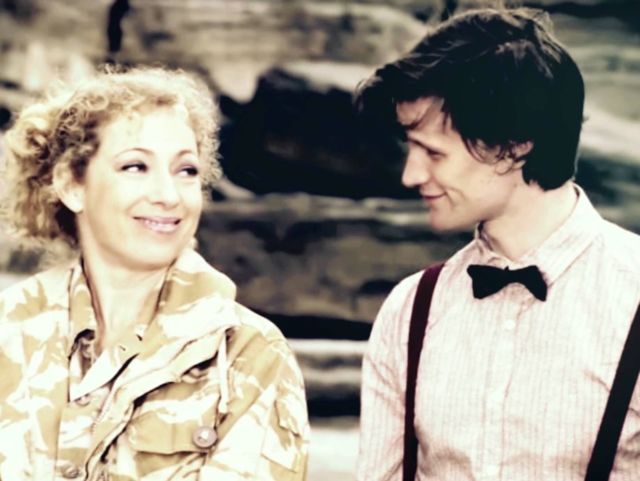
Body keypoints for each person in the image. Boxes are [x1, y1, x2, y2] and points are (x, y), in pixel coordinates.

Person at [355, 7, 640, 481]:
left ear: (515, 144)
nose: (411, 174)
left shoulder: (633, 294)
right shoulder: (410, 310)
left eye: (433, 152)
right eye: (411, 148)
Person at [0, 67, 309, 481]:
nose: (168, 195)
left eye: (187, 171)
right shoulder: (8, 330)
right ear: (71, 185)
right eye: (135, 167)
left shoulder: (248, 355)